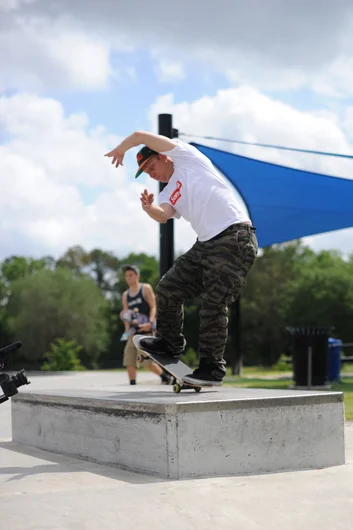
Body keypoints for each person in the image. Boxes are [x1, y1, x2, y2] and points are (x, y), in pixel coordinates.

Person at [105, 131, 258, 387]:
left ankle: (211, 368)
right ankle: (169, 342)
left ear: (164, 156)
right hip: (206, 246)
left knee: (213, 304)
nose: (151, 174)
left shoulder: (187, 158)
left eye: (151, 166)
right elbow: (163, 214)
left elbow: (140, 135)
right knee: (168, 288)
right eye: (146, 172)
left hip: (234, 239)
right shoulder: (168, 191)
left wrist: (123, 148)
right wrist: (148, 209)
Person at [120, 264, 173, 386]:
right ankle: (132, 385)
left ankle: (166, 377)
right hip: (133, 332)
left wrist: (150, 323)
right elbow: (126, 315)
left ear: (137, 275)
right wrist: (127, 331)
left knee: (146, 362)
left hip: (146, 330)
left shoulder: (145, 288)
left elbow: (153, 306)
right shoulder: (125, 295)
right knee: (129, 360)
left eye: (131, 275)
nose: (128, 278)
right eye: (126, 276)